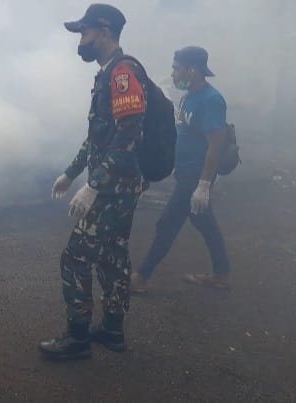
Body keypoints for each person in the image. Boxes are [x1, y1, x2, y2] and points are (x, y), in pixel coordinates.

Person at [39, 4, 147, 360]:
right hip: (119, 186)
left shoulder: (122, 73)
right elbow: (98, 137)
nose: (80, 42)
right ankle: (113, 331)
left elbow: (128, 138)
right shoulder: (107, 74)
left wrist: (93, 184)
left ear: (103, 30)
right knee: (114, 256)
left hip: (113, 188)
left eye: (84, 33)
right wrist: (72, 173)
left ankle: (78, 337)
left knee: (74, 258)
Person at [132, 47, 231, 292]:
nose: (173, 73)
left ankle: (141, 277)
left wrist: (204, 185)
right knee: (203, 222)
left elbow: (215, 145)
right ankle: (221, 273)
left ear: (193, 70)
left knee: (167, 224)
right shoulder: (189, 95)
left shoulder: (211, 100)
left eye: (176, 68)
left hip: (195, 175)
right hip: (185, 171)